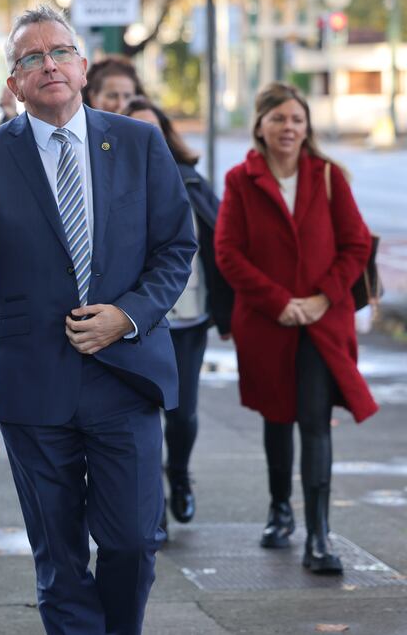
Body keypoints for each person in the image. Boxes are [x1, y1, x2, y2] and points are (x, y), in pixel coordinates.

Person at [0, 5, 196, 635]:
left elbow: (176, 248)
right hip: (33, 387)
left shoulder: (139, 142)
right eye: (30, 58)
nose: (47, 64)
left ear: (82, 67)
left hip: (126, 379)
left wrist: (127, 317)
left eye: (59, 52)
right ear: (13, 83)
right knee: (58, 558)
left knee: (133, 543)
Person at [214, 82, 377, 574]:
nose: (290, 128)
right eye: (280, 118)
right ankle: (279, 507)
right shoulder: (241, 180)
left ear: (308, 129)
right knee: (276, 416)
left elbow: (355, 246)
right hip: (267, 322)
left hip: (323, 322)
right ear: (260, 125)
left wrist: (322, 297)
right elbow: (228, 253)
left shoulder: (328, 176)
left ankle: (320, 534)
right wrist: (280, 302)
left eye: (298, 120)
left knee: (313, 418)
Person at [123, 97, 234, 537]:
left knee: (182, 414)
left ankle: (181, 474)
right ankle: (155, 509)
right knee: (143, 415)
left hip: (187, 318)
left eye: (153, 130)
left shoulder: (189, 181)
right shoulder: (107, 185)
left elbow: (222, 239)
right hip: (133, 319)